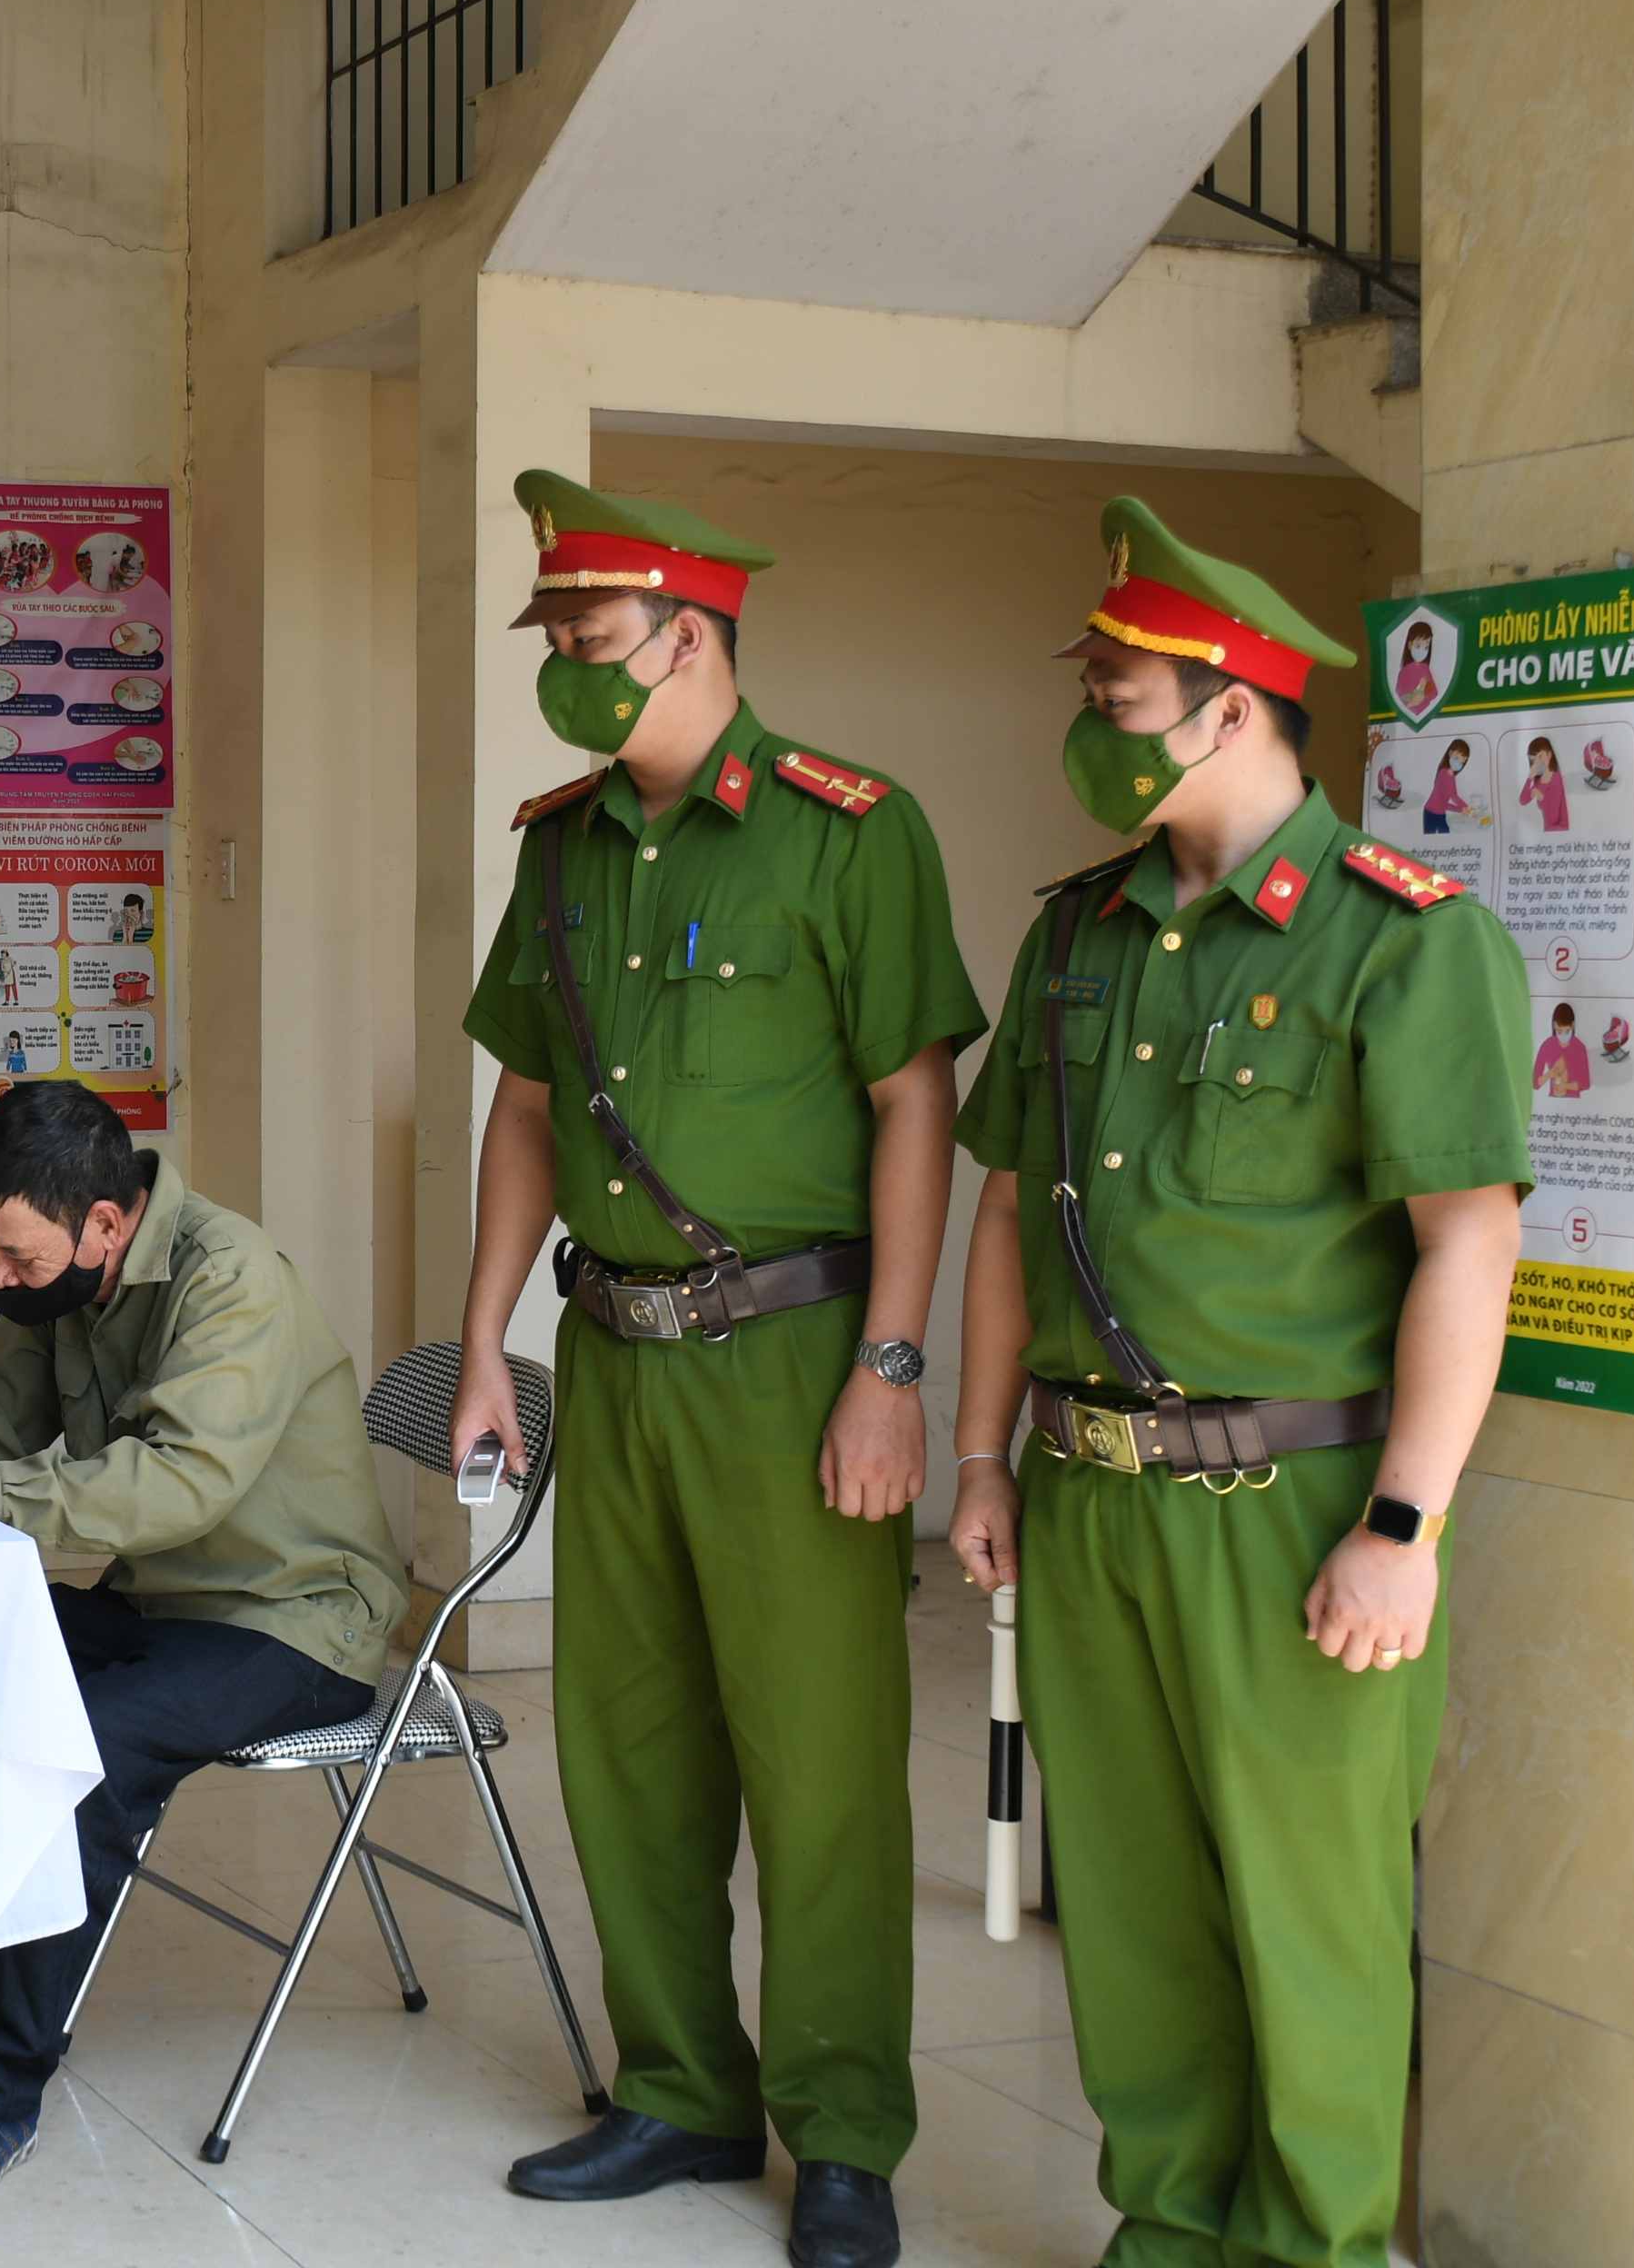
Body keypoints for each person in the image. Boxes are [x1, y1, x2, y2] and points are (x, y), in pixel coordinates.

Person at [942, 496, 1529, 2268]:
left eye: (1117, 689)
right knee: (1126, 1905)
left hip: (1294, 1516)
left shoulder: (1402, 940)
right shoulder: (1076, 936)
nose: (1092, 719)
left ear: (1232, 707)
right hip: (1091, 1503)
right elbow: (1005, 1218)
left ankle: (1322, 2249)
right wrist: (982, 1458)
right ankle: (1172, 2233)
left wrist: (1404, 1524)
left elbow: (1469, 1247)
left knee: (1312, 1912)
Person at [442, 471, 980, 2268]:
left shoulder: (850, 829)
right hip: (616, 1353)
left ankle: (842, 2132)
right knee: (630, 1745)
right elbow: (525, 1105)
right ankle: (679, 2089)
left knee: (822, 1759)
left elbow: (920, 1102)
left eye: (591, 646)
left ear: (690, 637)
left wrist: (893, 1362)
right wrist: (489, 1344)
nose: (569, 674)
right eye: (559, 648)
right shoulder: (565, 842)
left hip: (799, 1350)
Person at [0, 1078, 409, 2206]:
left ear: (107, 1224)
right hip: (163, 1607)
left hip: (294, 1618)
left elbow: (175, 1488)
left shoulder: (230, 1278)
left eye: (13, 1257)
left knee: (81, 1745)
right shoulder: (68, 1274)